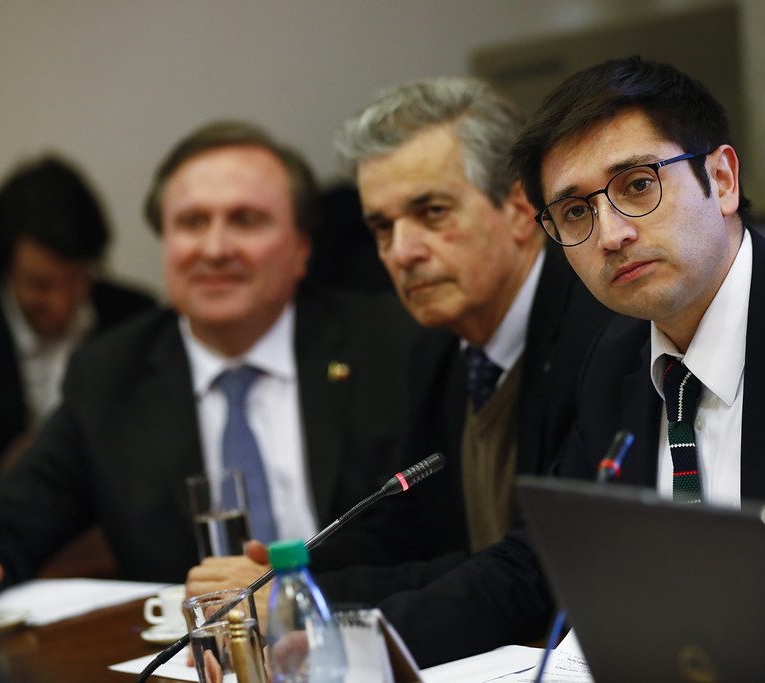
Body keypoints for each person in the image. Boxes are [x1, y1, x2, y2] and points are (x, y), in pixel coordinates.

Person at [368, 56, 765, 667]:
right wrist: (357, 646)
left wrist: (742, 647)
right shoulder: (613, 361)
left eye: (637, 186)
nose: (611, 235)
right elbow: (541, 564)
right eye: (576, 212)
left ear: (722, 180)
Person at [0, 121, 418, 590]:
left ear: (302, 247)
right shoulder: (110, 374)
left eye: (245, 220)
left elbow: (431, 541)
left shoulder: (391, 344)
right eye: (192, 223)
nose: (214, 249)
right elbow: (11, 519)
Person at [185, 79, 612, 616]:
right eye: (383, 227)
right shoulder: (440, 350)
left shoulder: (598, 335)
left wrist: (307, 600)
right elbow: (406, 533)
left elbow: (538, 568)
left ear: (520, 209)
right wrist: (288, 573)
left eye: (432, 212)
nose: (402, 252)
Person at [0, 156, 155, 537]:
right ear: (3, 272)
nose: (61, 303)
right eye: (40, 285)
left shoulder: (136, 318)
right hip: (6, 537)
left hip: (122, 534)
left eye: (75, 279)